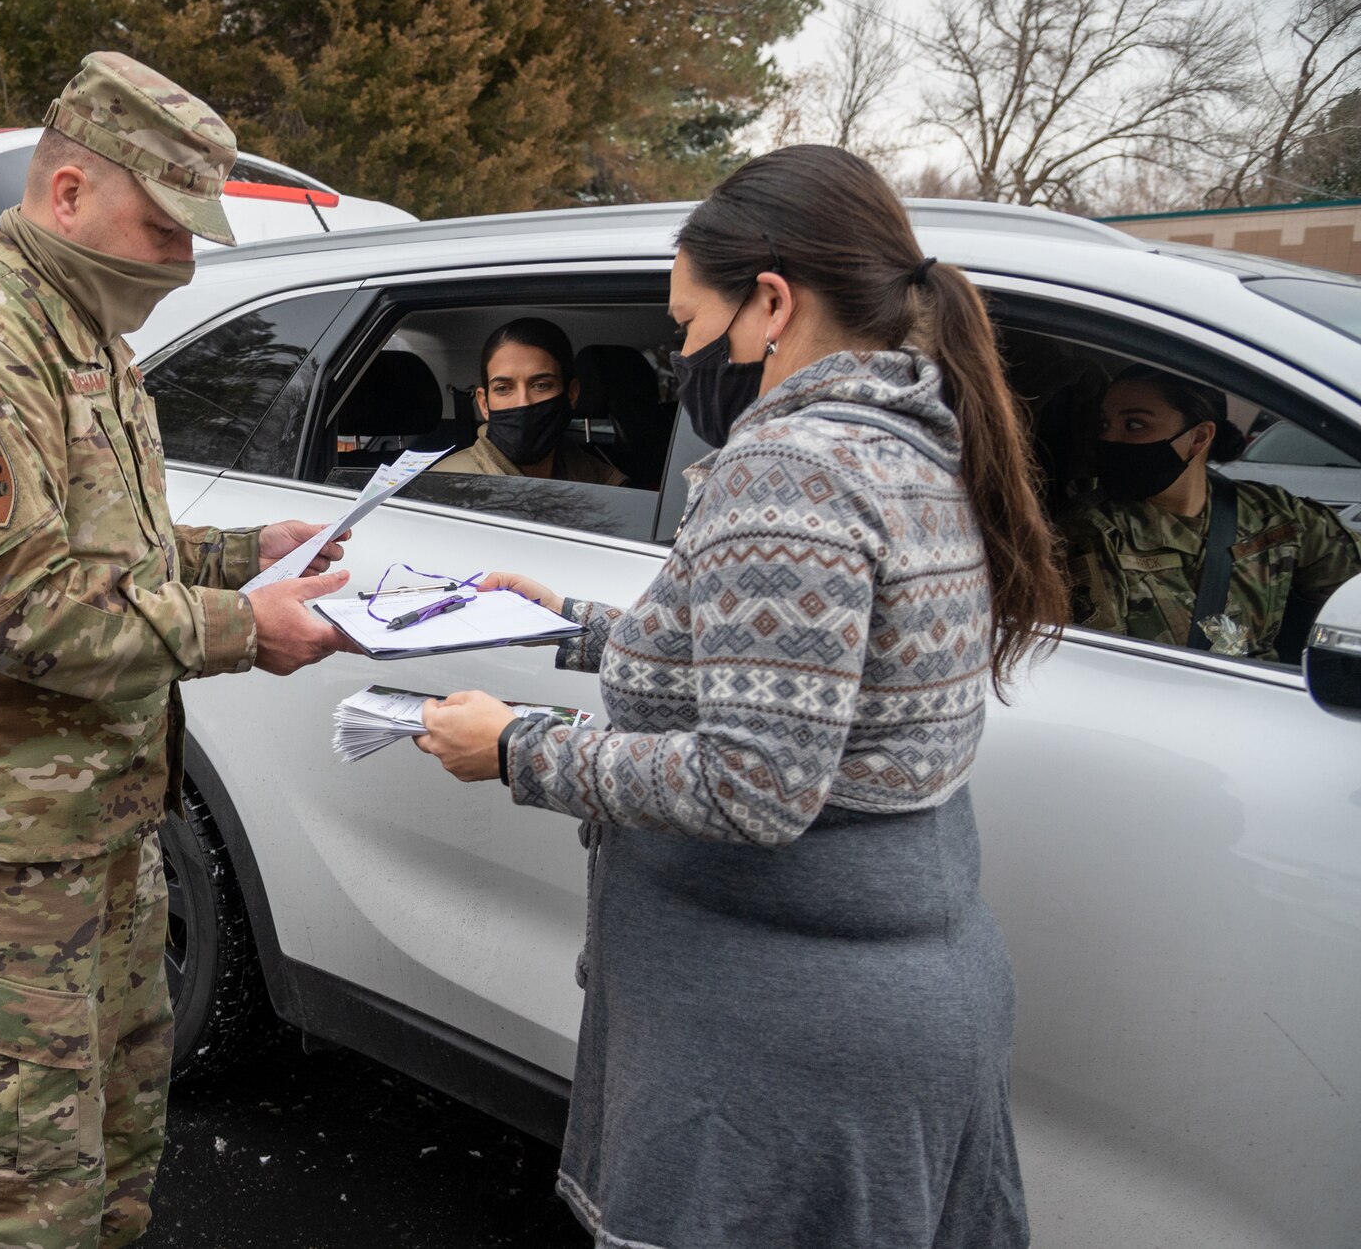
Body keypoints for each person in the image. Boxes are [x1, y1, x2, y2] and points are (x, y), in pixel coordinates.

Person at [415, 145, 1068, 1249]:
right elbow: (803, 678)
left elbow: (756, 779)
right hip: (885, 990)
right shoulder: (911, 442)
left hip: (781, 1038)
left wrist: (519, 746)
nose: (678, 355)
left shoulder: (795, 469)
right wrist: (570, 622)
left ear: (770, 302)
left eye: (684, 322)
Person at [0, 51, 351, 1249]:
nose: (184, 258)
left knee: (120, 1138)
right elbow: (22, 609)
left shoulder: (84, 338)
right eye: (163, 226)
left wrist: (245, 552)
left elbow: (110, 547)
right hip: (0, 847)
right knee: (28, 1179)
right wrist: (246, 630)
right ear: (67, 192)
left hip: (107, 825)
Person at [1061, 364, 1361, 661]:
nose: (1109, 439)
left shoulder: (1272, 514)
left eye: (1135, 425)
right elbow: (1106, 666)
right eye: (1104, 424)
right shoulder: (1093, 531)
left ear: (1199, 438)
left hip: (1267, 695)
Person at [431, 317, 626, 485]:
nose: (523, 403)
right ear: (484, 404)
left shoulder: (602, 480)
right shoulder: (447, 488)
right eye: (503, 389)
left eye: (541, 385)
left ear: (572, 393)